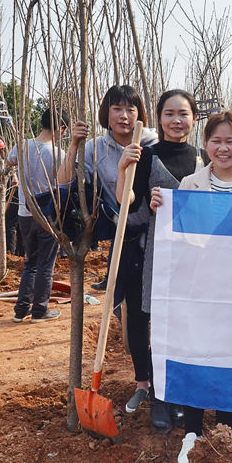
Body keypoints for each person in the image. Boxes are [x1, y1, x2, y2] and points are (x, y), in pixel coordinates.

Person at [148, 110, 232, 463]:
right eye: (216, 141)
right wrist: (161, 207)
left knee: (229, 358)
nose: (223, 148)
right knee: (197, 355)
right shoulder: (190, 185)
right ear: (205, 145)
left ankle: (224, 431)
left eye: (231, 141)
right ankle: (192, 432)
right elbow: (179, 234)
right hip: (198, 288)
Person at [58, 85, 167, 427]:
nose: (124, 116)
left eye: (131, 109)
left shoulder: (153, 143)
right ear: (106, 113)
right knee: (133, 317)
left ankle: (164, 384)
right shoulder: (95, 149)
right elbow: (64, 182)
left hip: (159, 238)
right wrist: (73, 145)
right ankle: (143, 382)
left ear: (140, 113)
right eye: (117, 108)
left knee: (163, 315)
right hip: (124, 239)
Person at [116, 89, 206, 433]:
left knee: (185, 324)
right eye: (169, 114)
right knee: (158, 323)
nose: (176, 120)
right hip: (159, 251)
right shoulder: (147, 156)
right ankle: (158, 396)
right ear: (159, 118)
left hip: (196, 255)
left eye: (183, 114)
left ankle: (179, 393)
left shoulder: (203, 158)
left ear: (194, 118)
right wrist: (124, 168)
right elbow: (128, 200)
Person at [7, 107, 68, 323]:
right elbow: (64, 182)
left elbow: (9, 161)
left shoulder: (22, 145)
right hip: (47, 216)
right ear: (62, 128)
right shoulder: (59, 154)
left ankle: (21, 310)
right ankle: (40, 311)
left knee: (30, 263)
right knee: (45, 266)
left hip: (25, 213)